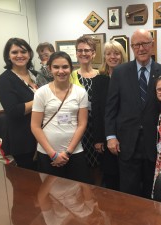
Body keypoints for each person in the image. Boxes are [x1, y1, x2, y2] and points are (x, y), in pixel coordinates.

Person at [105, 29, 161, 198]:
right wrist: (110, 136)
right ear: (131, 47)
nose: (141, 48)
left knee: (152, 192)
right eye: (137, 44)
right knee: (128, 192)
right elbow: (111, 107)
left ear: (152, 46)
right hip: (126, 144)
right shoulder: (119, 72)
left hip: (155, 145)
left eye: (145, 43)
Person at [31, 51, 90, 184]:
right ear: (49, 69)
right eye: (56, 67)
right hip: (47, 153)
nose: (61, 71)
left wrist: (67, 153)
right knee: (50, 193)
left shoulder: (80, 92)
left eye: (65, 67)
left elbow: (82, 123)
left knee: (79, 191)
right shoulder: (42, 93)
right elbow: (35, 126)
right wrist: (53, 154)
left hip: (74, 152)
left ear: (71, 68)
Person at [0, 37, 38, 170]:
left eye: (23, 51)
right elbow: (14, 111)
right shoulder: (4, 80)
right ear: (8, 56)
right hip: (22, 141)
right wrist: (40, 98)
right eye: (14, 52)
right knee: (27, 185)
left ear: (29, 54)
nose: (20, 55)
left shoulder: (36, 75)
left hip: (42, 137)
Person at [92, 40, 127, 190]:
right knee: (110, 174)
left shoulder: (129, 78)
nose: (113, 56)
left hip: (126, 133)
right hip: (106, 136)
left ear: (122, 56)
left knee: (126, 174)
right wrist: (99, 138)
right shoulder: (99, 80)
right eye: (109, 53)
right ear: (104, 57)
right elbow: (97, 110)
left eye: (117, 53)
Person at [70, 35, 101, 185]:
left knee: (99, 167)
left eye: (87, 50)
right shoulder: (70, 76)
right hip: (78, 128)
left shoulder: (102, 75)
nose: (83, 53)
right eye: (80, 50)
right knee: (82, 167)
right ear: (76, 53)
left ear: (94, 53)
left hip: (97, 128)